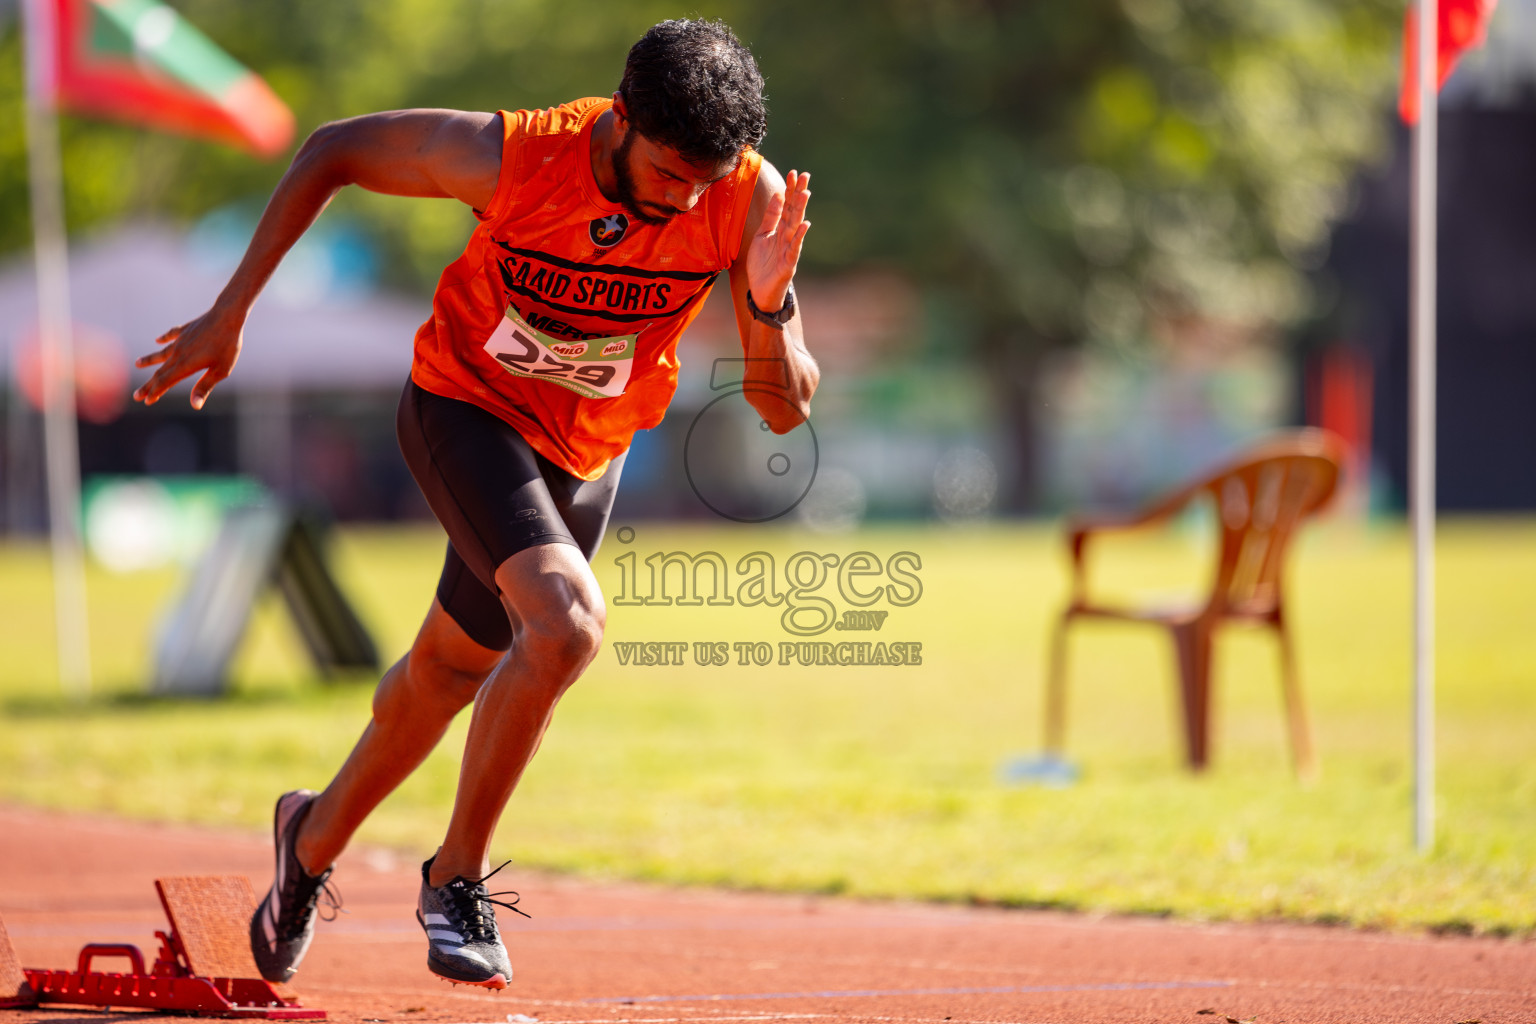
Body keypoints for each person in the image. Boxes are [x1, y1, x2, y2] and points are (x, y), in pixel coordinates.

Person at [132, 19, 816, 991]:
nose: (686, 200)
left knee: (451, 670)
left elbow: (780, 410)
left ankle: (308, 837)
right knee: (567, 622)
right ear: (621, 118)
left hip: (588, 444)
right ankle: (456, 876)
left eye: (706, 179)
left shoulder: (746, 198)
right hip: (467, 406)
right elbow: (332, 150)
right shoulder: (514, 154)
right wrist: (232, 306)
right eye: (670, 173)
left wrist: (773, 303)